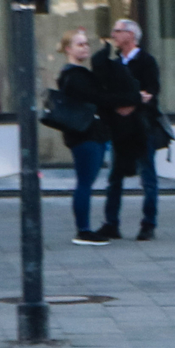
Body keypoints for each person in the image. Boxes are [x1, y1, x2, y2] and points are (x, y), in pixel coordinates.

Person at [92, 18, 162, 241]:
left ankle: (148, 223)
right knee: (114, 177)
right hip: (118, 128)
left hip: (142, 127)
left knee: (148, 177)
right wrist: (126, 100)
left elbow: (150, 93)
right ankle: (111, 223)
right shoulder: (114, 63)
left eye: (118, 31)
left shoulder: (146, 61)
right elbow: (105, 94)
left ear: (131, 35)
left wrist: (130, 103)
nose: (113, 35)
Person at [52, 27, 112, 244]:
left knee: (86, 181)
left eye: (86, 43)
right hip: (85, 135)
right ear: (69, 49)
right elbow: (97, 97)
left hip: (86, 134)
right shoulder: (74, 76)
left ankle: (84, 228)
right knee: (85, 182)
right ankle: (83, 230)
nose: (85, 47)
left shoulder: (74, 75)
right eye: (80, 44)